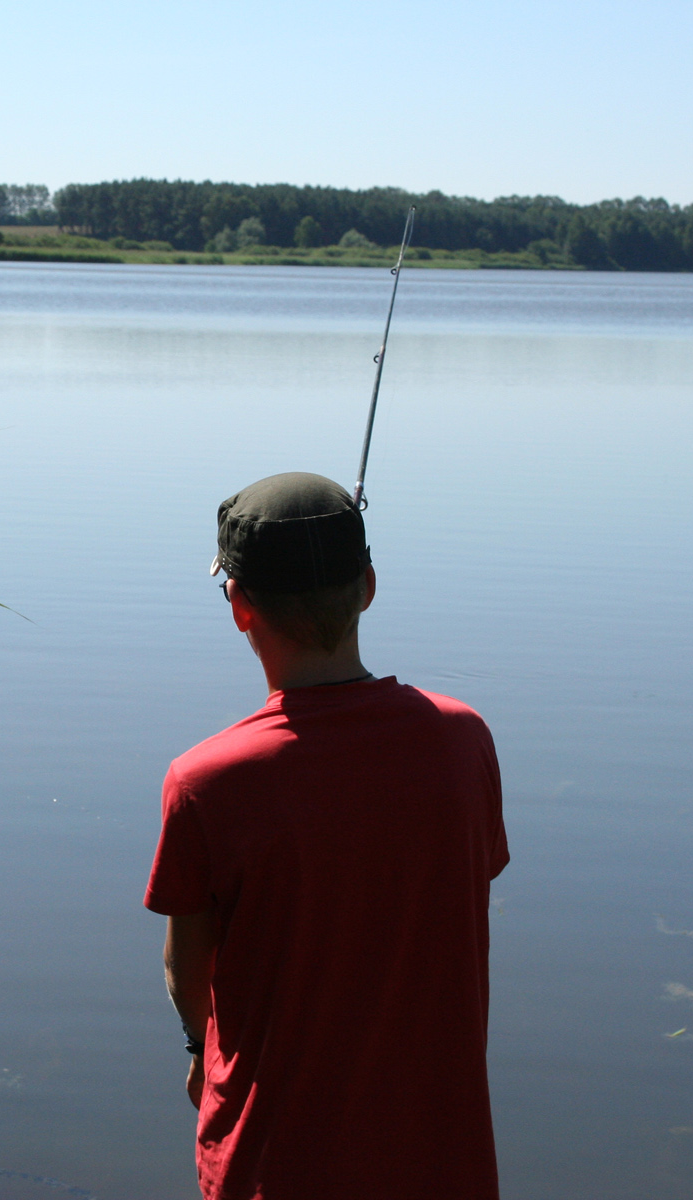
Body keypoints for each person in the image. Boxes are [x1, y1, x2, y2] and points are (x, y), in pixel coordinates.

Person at [144, 471, 508, 1199]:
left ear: (240, 606)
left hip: (271, 1167)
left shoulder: (206, 781)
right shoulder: (463, 742)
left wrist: (198, 1046)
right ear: (368, 585)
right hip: (441, 1161)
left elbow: (192, 975)